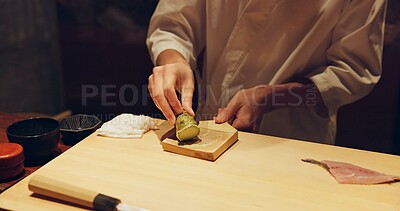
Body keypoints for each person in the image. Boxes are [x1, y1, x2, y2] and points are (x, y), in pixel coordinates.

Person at [146, 0, 387, 144]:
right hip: (210, 126)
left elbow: (353, 72)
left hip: (292, 141)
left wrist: (274, 97)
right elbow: (172, 24)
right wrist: (174, 60)